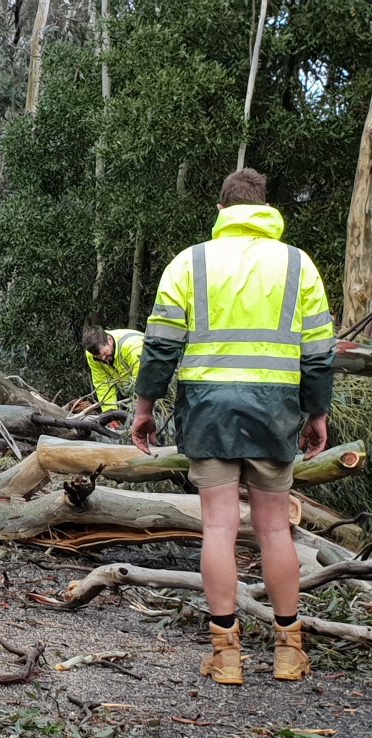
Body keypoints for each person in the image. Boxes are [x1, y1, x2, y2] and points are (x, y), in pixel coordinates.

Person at [131, 168, 335, 685]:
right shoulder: (299, 265)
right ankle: (290, 652)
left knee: (219, 527)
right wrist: (317, 413)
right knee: (274, 528)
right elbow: (318, 354)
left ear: (222, 210)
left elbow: (159, 345)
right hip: (276, 411)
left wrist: (145, 407)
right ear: (265, 210)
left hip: (208, 408)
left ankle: (226, 656)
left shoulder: (191, 262)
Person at [81, 326, 144, 418]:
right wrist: (111, 414)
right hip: (132, 393)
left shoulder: (133, 346)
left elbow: (143, 383)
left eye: (105, 353)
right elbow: (102, 384)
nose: (103, 359)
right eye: (99, 357)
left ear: (109, 339)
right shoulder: (92, 355)